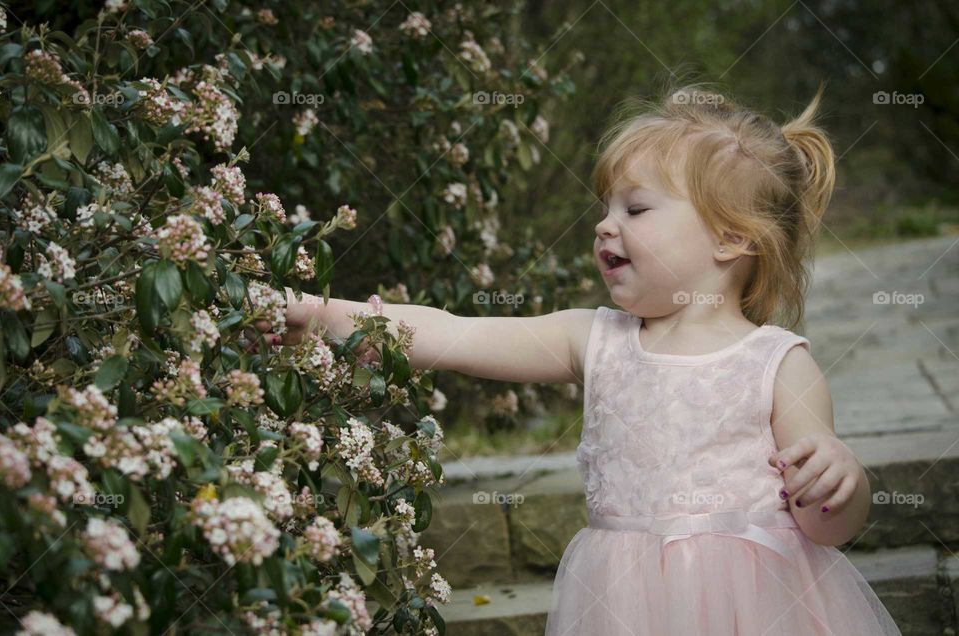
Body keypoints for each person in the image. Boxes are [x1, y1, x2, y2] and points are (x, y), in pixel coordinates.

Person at [250, 83, 902, 634]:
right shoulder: (592, 338)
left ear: (731, 236)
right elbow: (454, 334)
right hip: (621, 606)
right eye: (606, 206)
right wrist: (322, 314)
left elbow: (830, 525)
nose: (605, 225)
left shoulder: (777, 364)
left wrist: (841, 480)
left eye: (636, 208)